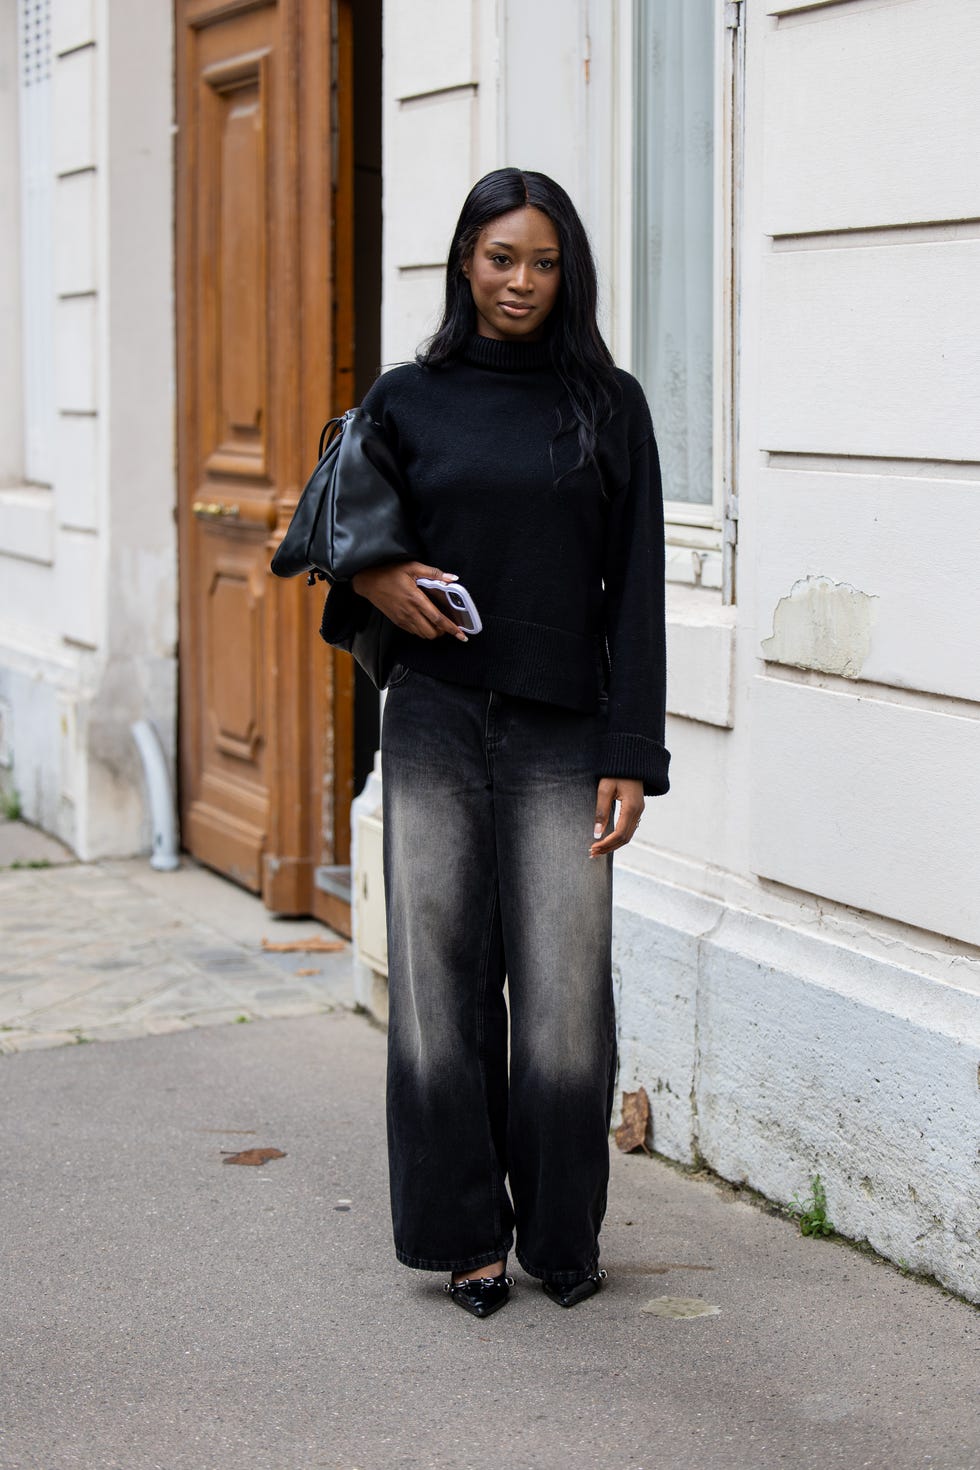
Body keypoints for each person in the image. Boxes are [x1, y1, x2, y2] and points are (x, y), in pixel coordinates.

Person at [350, 168, 669, 1318]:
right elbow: (342, 540)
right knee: (437, 987)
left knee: (562, 994)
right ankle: (462, 1235)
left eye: (540, 262)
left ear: (565, 270)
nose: (519, 282)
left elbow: (635, 590)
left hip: (560, 734)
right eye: (499, 259)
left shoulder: (607, 403)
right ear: (464, 264)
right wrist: (378, 576)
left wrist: (630, 749)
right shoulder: (405, 398)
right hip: (433, 719)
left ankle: (562, 1235)